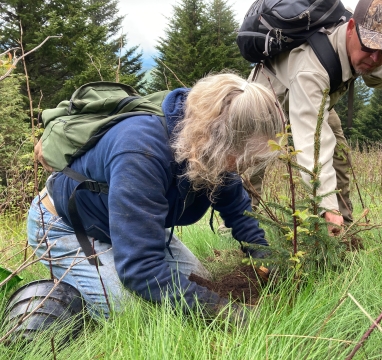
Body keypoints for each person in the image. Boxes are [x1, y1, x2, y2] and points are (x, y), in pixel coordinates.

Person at [27, 73, 284, 320]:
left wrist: (264, 257)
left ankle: (106, 267)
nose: (244, 166)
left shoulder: (209, 148)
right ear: (217, 140)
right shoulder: (141, 151)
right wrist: (231, 315)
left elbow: (237, 210)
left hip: (124, 222)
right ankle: (55, 300)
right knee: (130, 311)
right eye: (243, 157)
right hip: (67, 225)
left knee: (199, 281)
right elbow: (142, 271)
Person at [248, 0, 382, 235]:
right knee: (251, 167)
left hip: (319, 101)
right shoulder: (311, 68)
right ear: (350, 28)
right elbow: (311, 146)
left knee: (340, 157)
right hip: (267, 104)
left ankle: (341, 231)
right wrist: (326, 204)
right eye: (370, 48)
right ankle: (240, 235)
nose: (376, 58)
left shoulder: (366, 46)